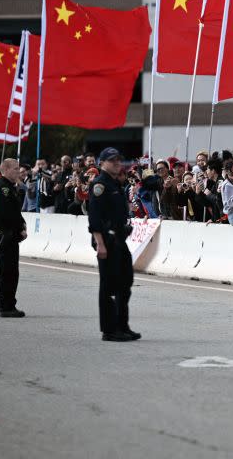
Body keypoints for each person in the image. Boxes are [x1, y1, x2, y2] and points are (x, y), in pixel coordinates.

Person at [87, 147, 139, 343]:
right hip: (107, 241)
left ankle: (122, 325)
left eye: (118, 160)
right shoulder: (100, 185)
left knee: (125, 283)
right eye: (112, 161)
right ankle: (109, 329)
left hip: (119, 239)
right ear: (102, 163)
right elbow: (95, 218)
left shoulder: (115, 184)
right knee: (109, 286)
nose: (117, 163)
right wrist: (100, 243)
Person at [0, 158, 28, 318]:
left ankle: (10, 303)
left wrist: (22, 224)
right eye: (14, 169)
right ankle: (5, 306)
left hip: (10, 234)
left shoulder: (10, 187)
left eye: (18, 168)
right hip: (5, 234)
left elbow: (16, 211)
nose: (18, 171)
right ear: (4, 170)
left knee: (12, 272)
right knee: (6, 271)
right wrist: (19, 228)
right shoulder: (2, 187)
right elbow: (8, 213)